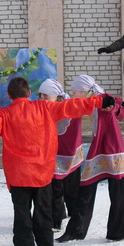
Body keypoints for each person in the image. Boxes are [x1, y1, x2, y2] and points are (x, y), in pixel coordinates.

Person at [0, 76, 114, 246]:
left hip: (18, 179)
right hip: (42, 177)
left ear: (9, 95)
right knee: (43, 222)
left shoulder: (4, 114)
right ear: (29, 94)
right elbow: (72, 106)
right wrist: (98, 101)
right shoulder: (45, 107)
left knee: (22, 224)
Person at [56, 75, 124, 243]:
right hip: (103, 146)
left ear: (84, 90)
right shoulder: (93, 100)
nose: (73, 93)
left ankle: (118, 231)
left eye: (75, 90)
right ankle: (77, 230)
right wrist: (122, 104)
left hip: (111, 148)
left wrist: (120, 105)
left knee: (113, 192)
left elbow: (111, 103)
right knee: (87, 190)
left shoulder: (100, 98)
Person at [37, 78, 77, 230]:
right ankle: (57, 218)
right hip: (52, 154)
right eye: (40, 96)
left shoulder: (67, 107)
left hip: (68, 153)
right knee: (55, 188)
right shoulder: (43, 109)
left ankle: (66, 217)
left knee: (67, 188)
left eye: (45, 96)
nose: (42, 100)